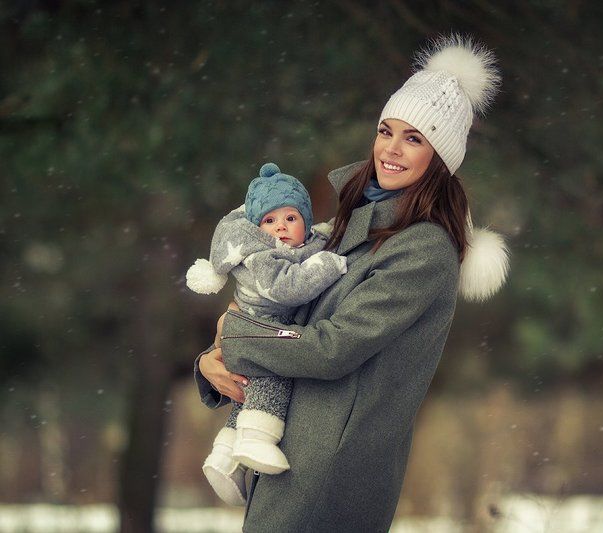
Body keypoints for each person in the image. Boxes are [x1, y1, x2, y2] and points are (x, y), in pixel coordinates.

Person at [195, 34, 509, 531]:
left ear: (440, 156)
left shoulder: (422, 249)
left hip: (330, 473)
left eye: (415, 139)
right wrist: (211, 363)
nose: (392, 148)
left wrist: (234, 338)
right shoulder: (353, 223)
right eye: (387, 130)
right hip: (292, 452)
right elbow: (283, 315)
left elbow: (331, 348)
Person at [186, 162, 347, 506]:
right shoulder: (262, 257)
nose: (281, 229)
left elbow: (320, 238)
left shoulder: (302, 244)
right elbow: (291, 288)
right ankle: (257, 438)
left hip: (250, 336)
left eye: (290, 218)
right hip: (261, 334)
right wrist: (329, 264)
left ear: (305, 220)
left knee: (246, 390)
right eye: (270, 222)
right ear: (258, 229)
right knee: (272, 380)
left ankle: (225, 455)